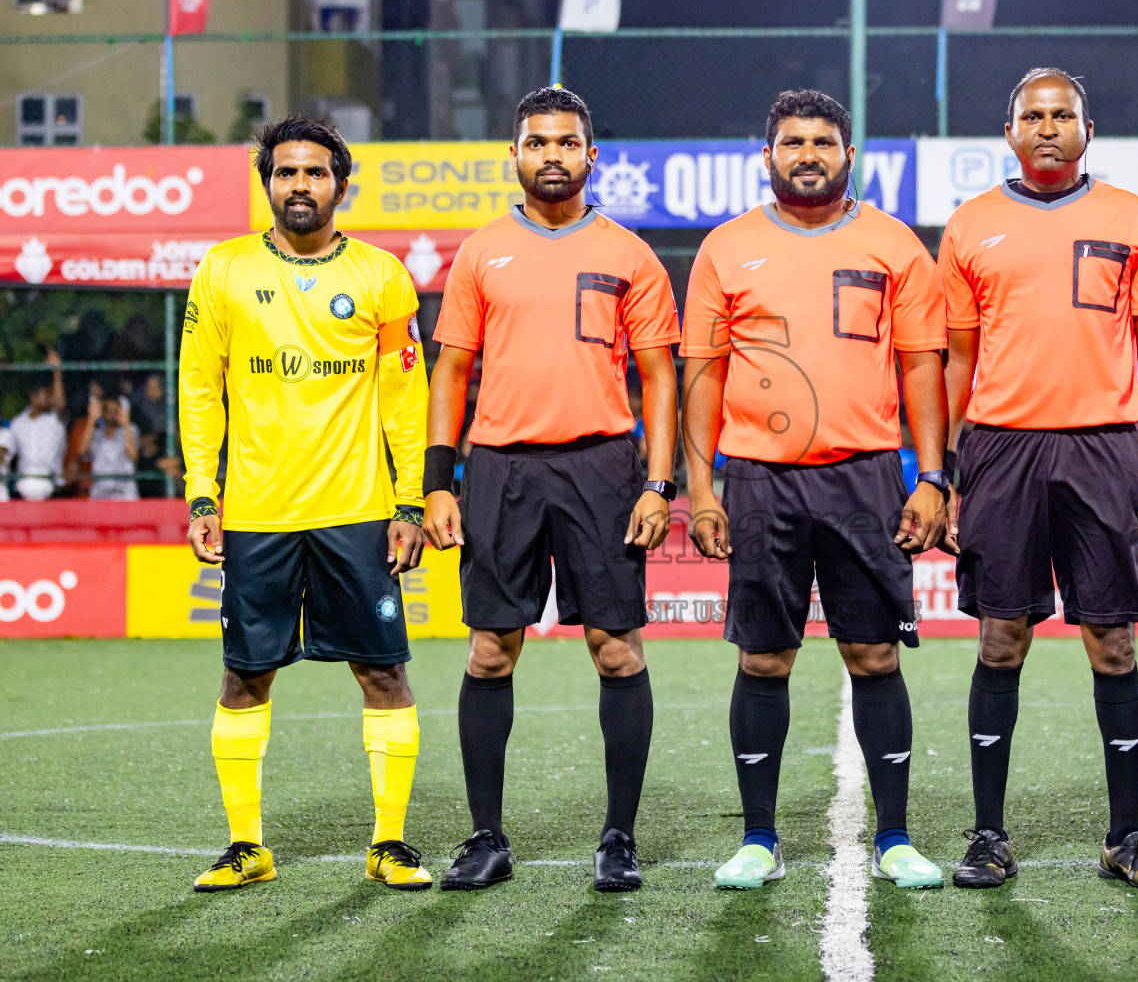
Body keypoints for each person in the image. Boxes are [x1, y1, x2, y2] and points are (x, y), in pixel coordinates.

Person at [683, 89, 949, 891]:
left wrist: (932, 477)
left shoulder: (894, 244)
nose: (808, 153)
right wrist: (702, 488)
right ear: (767, 156)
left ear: (848, 154)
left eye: (823, 141)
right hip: (760, 481)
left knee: (872, 655)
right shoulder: (726, 249)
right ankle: (759, 839)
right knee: (764, 658)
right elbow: (702, 374)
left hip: (865, 476)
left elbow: (921, 368)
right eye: (793, 141)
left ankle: (895, 837)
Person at [423, 87, 680, 893]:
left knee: (615, 650)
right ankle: (486, 838)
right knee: (490, 650)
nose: (552, 156)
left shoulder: (629, 254)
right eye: (537, 142)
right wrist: (438, 483)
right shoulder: (480, 252)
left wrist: (658, 482)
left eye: (568, 142)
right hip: (499, 467)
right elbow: (451, 372)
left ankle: (619, 837)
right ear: (515, 155)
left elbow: (659, 378)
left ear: (591, 154)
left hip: (602, 467)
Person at [940, 67, 1138, 890]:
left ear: (1089, 130)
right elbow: (958, 358)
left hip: (1104, 450)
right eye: (1032, 116)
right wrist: (941, 473)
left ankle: (1126, 836)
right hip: (1002, 449)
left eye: (1063, 115)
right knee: (1000, 637)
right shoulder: (971, 225)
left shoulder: (1130, 217)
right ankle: (988, 836)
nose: (1048, 127)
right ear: (1008, 132)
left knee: (1112, 641)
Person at [179, 115, 432, 893]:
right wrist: (201, 494)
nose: (299, 185)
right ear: (267, 183)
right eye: (285, 172)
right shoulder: (220, 271)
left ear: (341, 185)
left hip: (357, 513)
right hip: (256, 514)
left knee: (383, 674)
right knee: (244, 676)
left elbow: (404, 397)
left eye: (315, 172)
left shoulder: (383, 277)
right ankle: (246, 846)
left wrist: (410, 500)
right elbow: (199, 389)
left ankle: (388, 843)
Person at [10, 351, 67, 500]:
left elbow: (59, 404)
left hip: (52, 486)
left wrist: (57, 373)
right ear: (33, 397)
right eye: (46, 394)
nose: (50, 398)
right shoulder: (18, 423)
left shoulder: (54, 421)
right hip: (24, 485)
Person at [85, 395, 140, 500]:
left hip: (125, 492)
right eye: (107, 411)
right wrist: (92, 421)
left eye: (115, 411)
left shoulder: (131, 429)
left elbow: (133, 455)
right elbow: (83, 452)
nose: (111, 414)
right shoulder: (96, 433)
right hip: (100, 491)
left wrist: (125, 424)